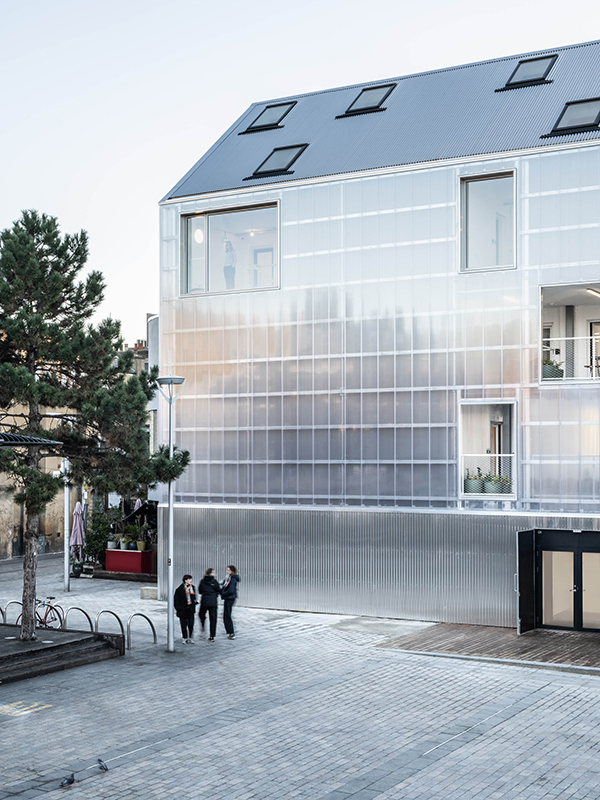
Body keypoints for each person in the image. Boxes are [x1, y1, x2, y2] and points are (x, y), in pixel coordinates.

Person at [174, 574, 198, 644]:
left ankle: (190, 637)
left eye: (191, 579)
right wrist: (179, 609)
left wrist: (194, 605)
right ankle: (184, 637)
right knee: (183, 625)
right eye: (189, 579)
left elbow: (194, 598)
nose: (190, 581)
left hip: (190, 609)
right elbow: (176, 600)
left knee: (191, 624)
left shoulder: (192, 588)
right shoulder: (179, 589)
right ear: (185, 580)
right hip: (183, 610)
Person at [198, 568, 221, 641]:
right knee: (213, 619)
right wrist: (215, 595)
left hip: (204, 601)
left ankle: (203, 627)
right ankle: (212, 636)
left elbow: (200, 591)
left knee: (201, 615)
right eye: (213, 573)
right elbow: (218, 590)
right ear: (210, 573)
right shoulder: (214, 581)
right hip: (213, 602)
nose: (215, 574)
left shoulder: (202, 581)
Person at [221, 565, 240, 639]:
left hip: (229, 598)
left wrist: (223, 593)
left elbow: (231, 590)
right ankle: (229, 631)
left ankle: (231, 632)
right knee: (226, 614)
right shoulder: (228, 578)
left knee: (227, 615)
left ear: (232, 571)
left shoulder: (232, 579)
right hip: (229, 598)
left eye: (228, 570)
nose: (227, 571)